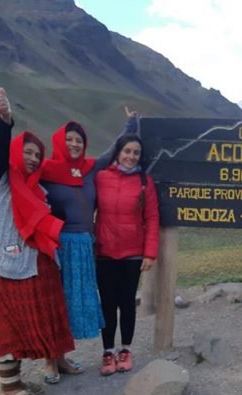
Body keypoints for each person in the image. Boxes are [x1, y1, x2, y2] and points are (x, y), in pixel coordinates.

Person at [0, 88, 74, 395]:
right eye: (27, 151)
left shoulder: (35, 189)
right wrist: (5, 120)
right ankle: (9, 387)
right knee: (3, 329)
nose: (33, 157)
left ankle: (10, 384)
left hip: (16, 262)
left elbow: (58, 212)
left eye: (37, 155)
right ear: (15, 151)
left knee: (16, 327)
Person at [39, 108, 139, 381]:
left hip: (85, 246)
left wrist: (131, 124)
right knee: (54, 301)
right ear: (60, 140)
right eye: (69, 139)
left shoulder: (90, 168)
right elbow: (18, 172)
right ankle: (50, 360)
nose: (74, 144)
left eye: (79, 141)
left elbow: (114, 151)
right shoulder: (45, 169)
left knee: (72, 303)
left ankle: (61, 358)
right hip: (58, 245)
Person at [94, 134, 159, 376]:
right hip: (105, 252)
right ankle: (108, 352)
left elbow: (152, 218)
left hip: (133, 253)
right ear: (118, 152)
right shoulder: (101, 178)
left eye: (136, 153)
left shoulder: (145, 182)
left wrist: (150, 253)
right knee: (107, 304)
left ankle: (125, 350)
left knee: (127, 303)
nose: (131, 156)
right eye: (127, 151)